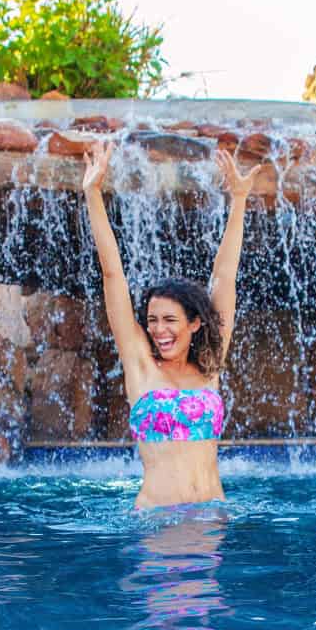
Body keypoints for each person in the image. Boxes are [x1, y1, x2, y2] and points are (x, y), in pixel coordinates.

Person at [82, 139, 259, 509]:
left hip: (212, 516)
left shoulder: (209, 365)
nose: (159, 330)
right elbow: (113, 274)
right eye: (152, 321)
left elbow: (225, 277)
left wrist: (239, 200)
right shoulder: (141, 365)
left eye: (169, 321)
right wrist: (93, 194)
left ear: (194, 324)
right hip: (158, 520)